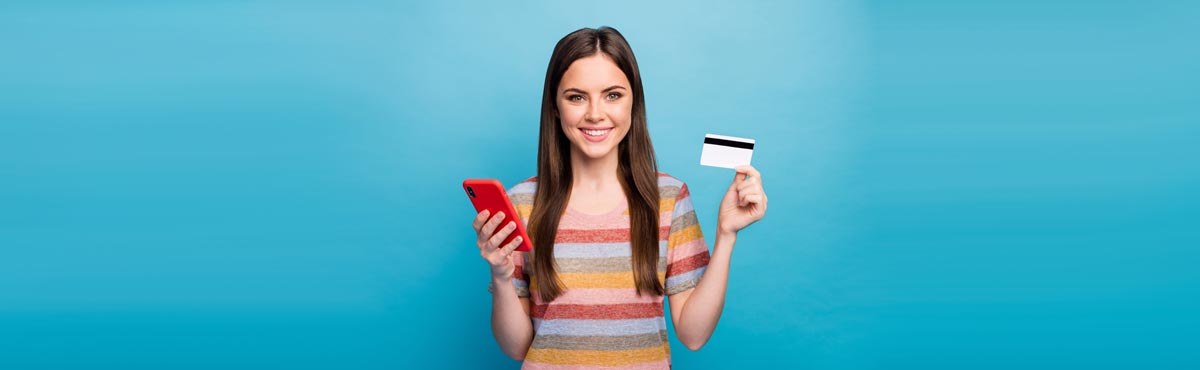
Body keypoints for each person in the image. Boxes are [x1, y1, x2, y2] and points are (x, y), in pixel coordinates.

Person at [472, 26, 768, 369]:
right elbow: (516, 348)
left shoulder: (668, 198)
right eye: (576, 96)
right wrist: (501, 276)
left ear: (634, 102)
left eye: (612, 95)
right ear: (555, 106)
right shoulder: (521, 203)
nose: (595, 113)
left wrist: (726, 236)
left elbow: (693, 334)